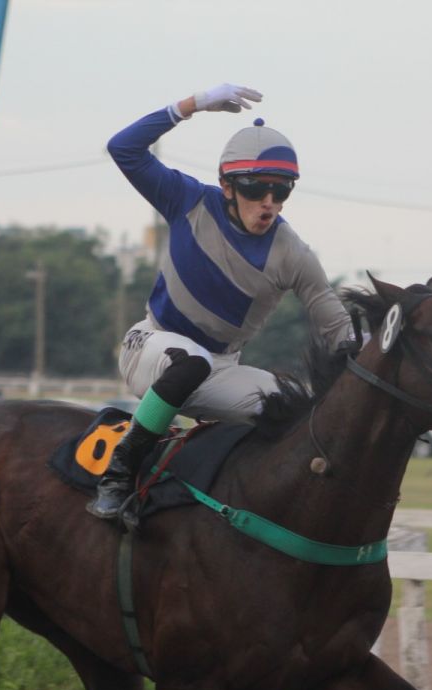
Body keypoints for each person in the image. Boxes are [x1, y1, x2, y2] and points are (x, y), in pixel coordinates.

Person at [88, 83, 353, 520]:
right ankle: (118, 476)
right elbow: (124, 148)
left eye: (281, 191)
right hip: (152, 346)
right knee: (190, 363)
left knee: (300, 410)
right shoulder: (187, 199)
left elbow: (339, 332)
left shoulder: (294, 254)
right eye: (256, 188)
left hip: (221, 368)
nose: (268, 203)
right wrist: (189, 106)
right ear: (226, 185)